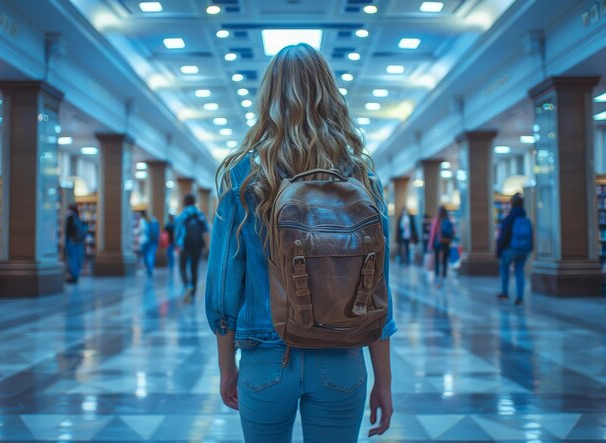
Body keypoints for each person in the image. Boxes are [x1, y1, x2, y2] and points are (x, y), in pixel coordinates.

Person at [205, 43, 396, 443]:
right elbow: (378, 283)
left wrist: (227, 367)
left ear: (269, 96)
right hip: (342, 356)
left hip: (265, 356)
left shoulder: (243, 173)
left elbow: (224, 287)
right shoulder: (360, 175)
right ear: (329, 92)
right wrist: (384, 380)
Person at [496, 193, 533, 306]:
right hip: (524, 249)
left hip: (510, 249)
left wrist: (499, 250)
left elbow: (503, 237)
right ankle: (520, 297)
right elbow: (531, 235)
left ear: (512, 204)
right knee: (519, 271)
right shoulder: (526, 219)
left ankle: (505, 292)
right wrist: (529, 248)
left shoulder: (509, 219)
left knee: (504, 268)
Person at [175, 194, 208, 301]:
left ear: (184, 202)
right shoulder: (199, 214)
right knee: (194, 268)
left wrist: (176, 242)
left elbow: (178, 230)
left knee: (182, 266)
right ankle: (193, 293)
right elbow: (206, 229)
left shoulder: (183, 214)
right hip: (197, 245)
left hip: (185, 245)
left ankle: (187, 285)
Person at [428, 205, 453, 287]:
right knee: (445, 260)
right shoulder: (448, 220)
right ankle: (444, 276)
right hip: (446, 243)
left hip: (438, 243)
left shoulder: (437, 220)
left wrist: (430, 244)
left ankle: (437, 275)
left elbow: (433, 234)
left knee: (437, 260)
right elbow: (453, 232)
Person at [65, 203, 85, 283]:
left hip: (71, 241)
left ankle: (73, 276)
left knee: (72, 259)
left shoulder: (70, 216)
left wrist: (69, 239)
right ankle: (75, 276)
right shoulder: (76, 217)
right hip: (77, 242)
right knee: (76, 258)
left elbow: (69, 230)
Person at [138, 210, 159, 276]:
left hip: (145, 241)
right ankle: (150, 269)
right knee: (151, 255)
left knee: (146, 256)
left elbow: (140, 230)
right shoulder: (154, 220)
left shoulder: (142, 221)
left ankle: (149, 269)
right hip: (154, 240)